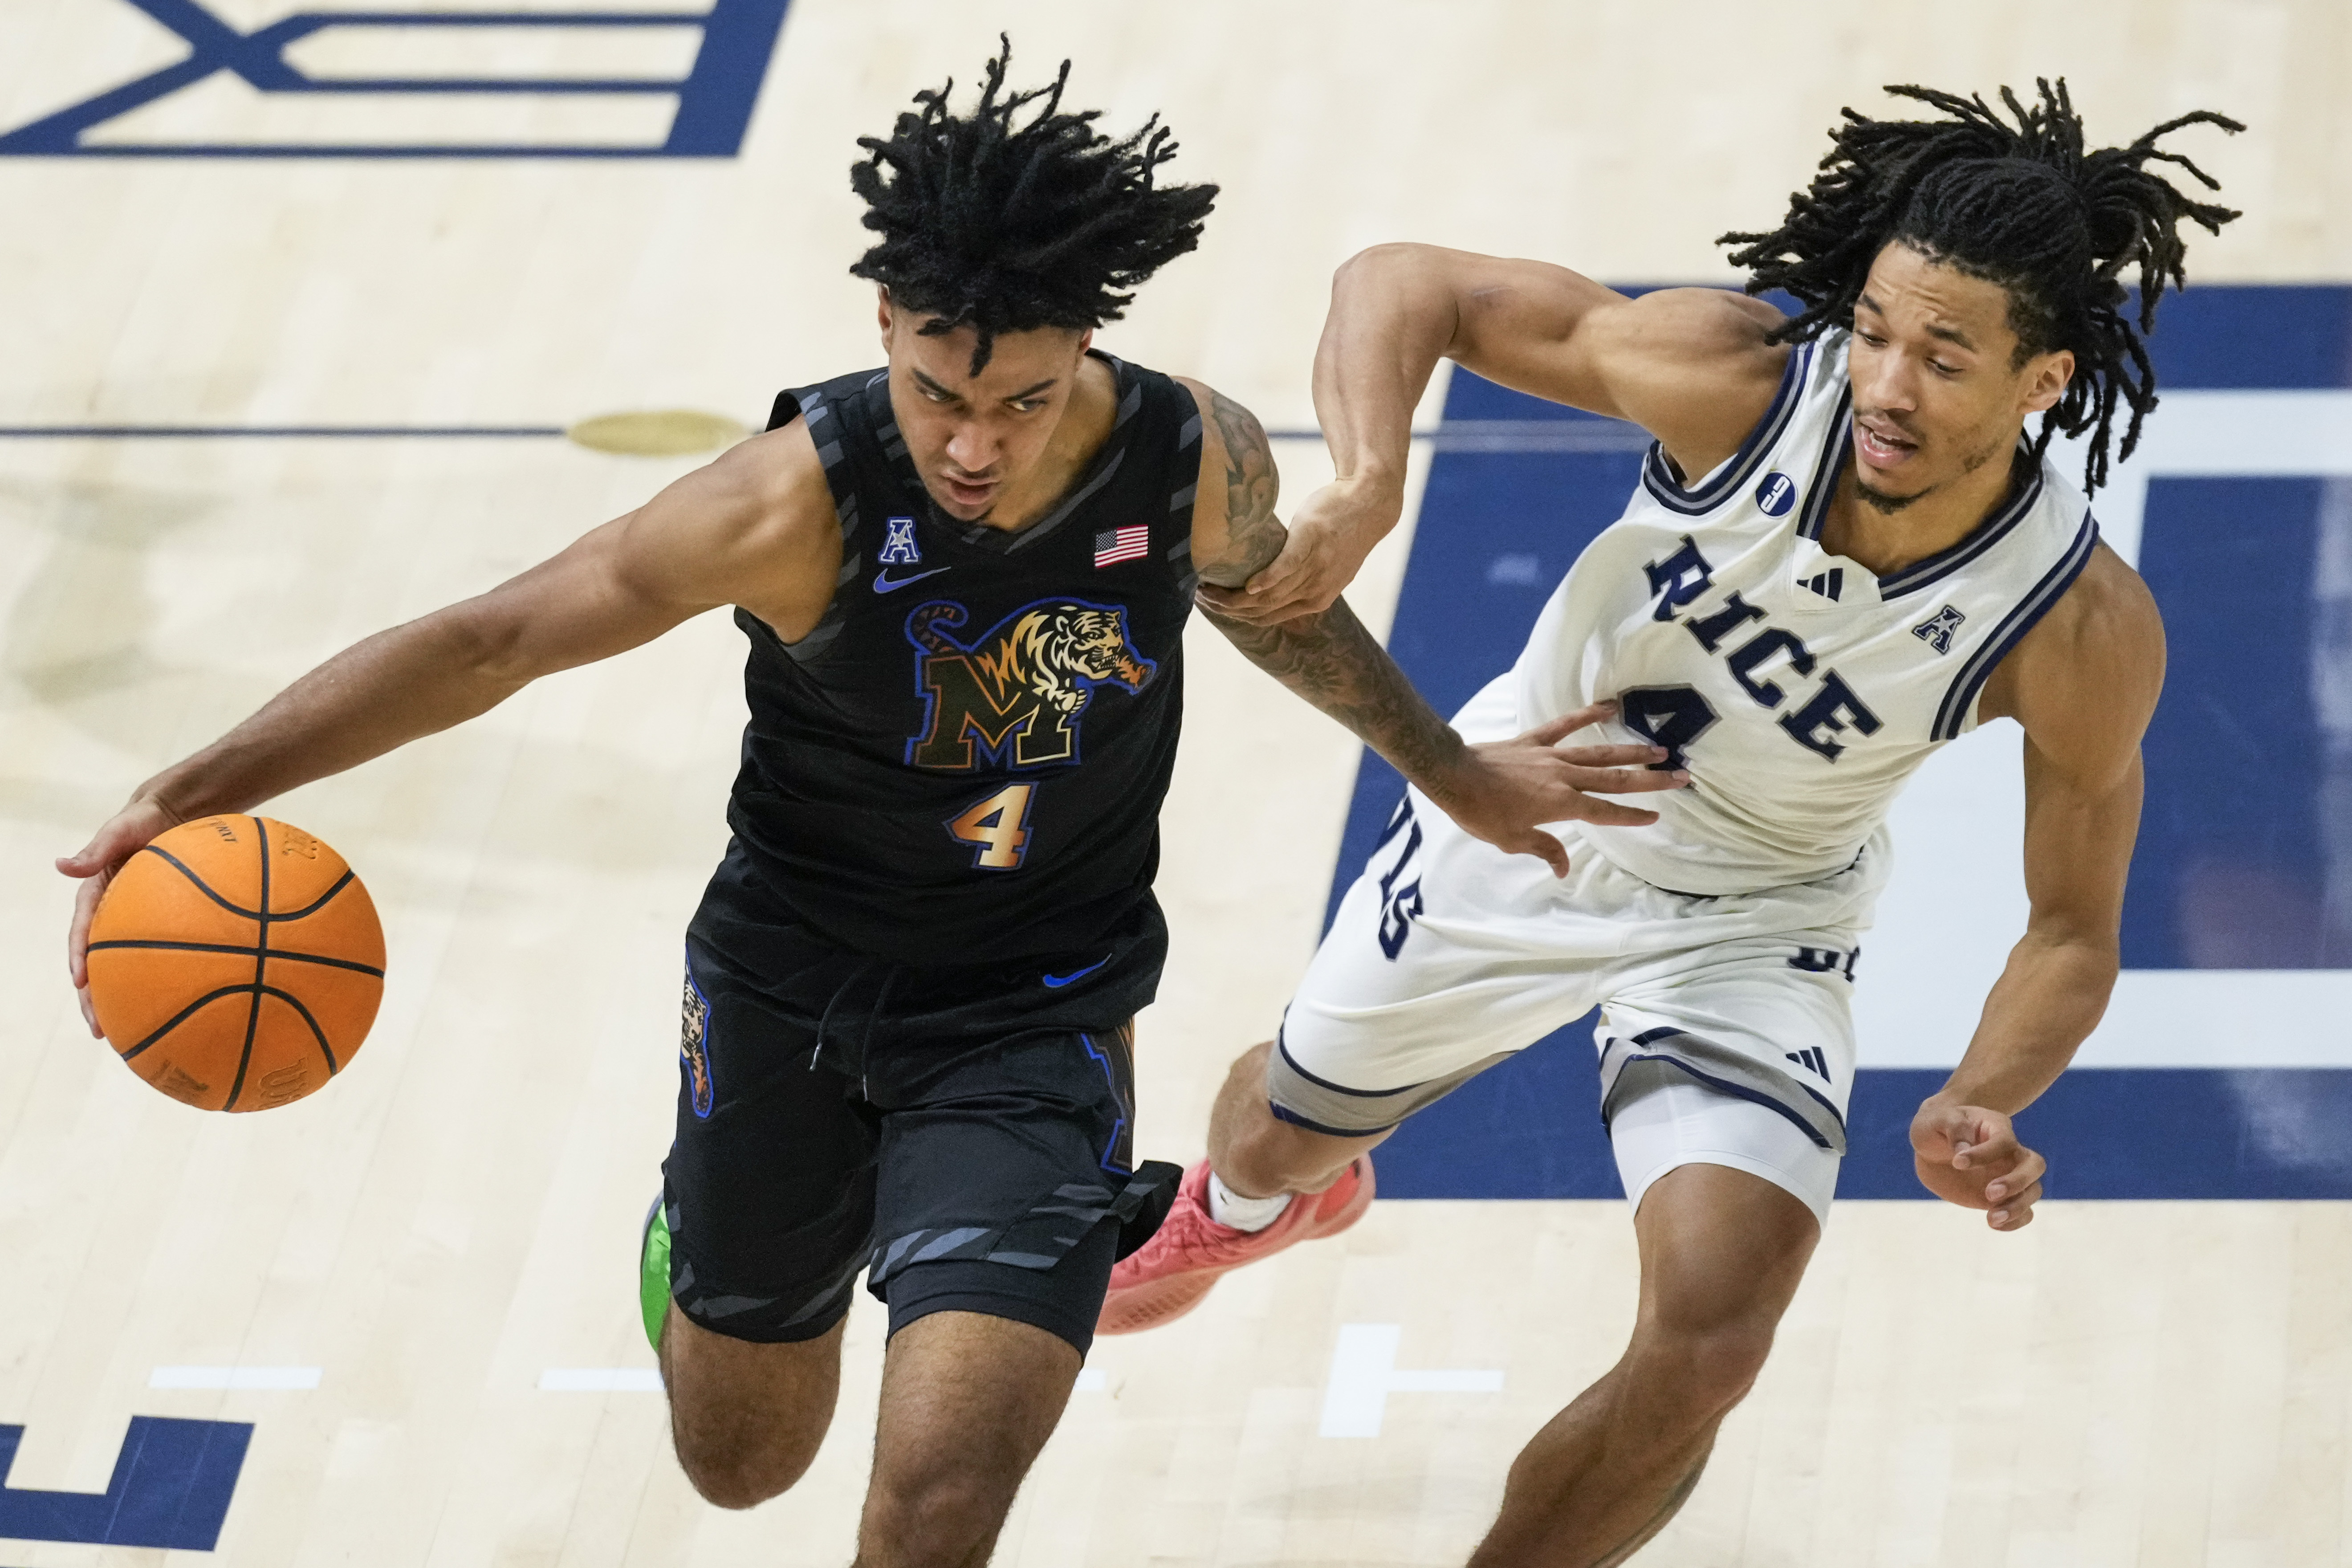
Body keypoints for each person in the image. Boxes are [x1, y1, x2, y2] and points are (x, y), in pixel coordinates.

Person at [56, 46, 1677, 1566]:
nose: (974, 445)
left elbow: (1278, 609)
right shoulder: (788, 501)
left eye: (1022, 400)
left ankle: (1038, 1218)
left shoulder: (1187, 456)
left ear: (1086, 346)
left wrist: (1451, 767)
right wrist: (184, 790)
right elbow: (493, 642)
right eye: (936, 394)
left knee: (941, 1491)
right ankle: (711, 1227)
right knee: (742, 1460)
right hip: (790, 983)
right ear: (886, 318)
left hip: (1038, 1002)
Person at [1103, 80, 2240, 1564]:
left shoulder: (2075, 625)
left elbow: (2072, 928)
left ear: (2043, 380)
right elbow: (1404, 282)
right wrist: (1371, 481)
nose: (1887, 385)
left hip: (1757, 916)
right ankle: (1258, 1204)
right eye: (1875, 332)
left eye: (1944, 357)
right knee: (1274, 1133)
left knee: (1712, 1337)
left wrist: (1982, 1093)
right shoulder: (1742, 384)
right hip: (1526, 813)